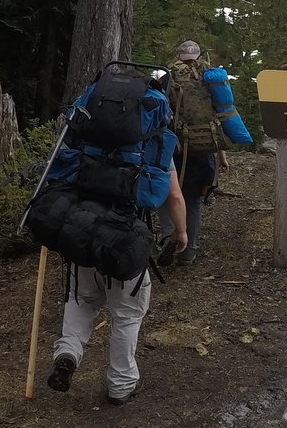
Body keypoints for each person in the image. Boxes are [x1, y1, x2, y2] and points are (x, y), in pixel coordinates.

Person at [47, 166, 187, 405]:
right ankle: (121, 385)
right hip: (126, 246)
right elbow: (173, 195)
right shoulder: (152, 138)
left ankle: (67, 352)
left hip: (84, 241)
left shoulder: (85, 137)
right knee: (126, 316)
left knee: (82, 302)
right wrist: (181, 231)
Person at [159, 40, 229, 266]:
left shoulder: (167, 78)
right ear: (198, 56)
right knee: (193, 199)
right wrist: (222, 156)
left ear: (178, 56)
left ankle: (169, 237)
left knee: (169, 194)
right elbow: (222, 114)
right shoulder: (212, 79)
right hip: (204, 149)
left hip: (175, 147)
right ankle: (189, 251)